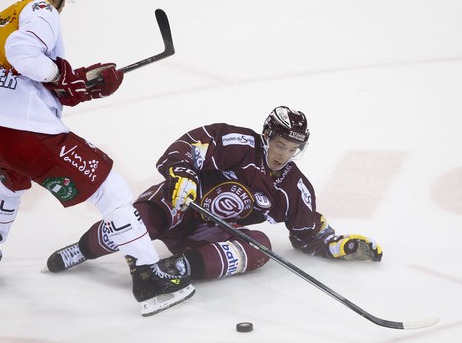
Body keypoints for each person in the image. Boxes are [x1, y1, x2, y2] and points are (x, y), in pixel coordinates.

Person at [0, 0, 194, 316]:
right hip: (28, 134)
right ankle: (149, 277)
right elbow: (24, 55)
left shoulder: (6, 15)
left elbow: (27, 78)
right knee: (114, 191)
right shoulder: (41, 9)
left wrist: (83, 84)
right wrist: (62, 73)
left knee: (11, 182)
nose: (63, 1)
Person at [46, 106, 382, 285]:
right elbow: (181, 151)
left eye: (292, 149)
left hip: (209, 232)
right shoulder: (238, 142)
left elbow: (307, 232)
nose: (284, 155)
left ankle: (177, 267)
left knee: (261, 245)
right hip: (178, 206)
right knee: (143, 219)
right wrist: (184, 176)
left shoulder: (293, 187)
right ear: (267, 135)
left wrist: (336, 245)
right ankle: (83, 249)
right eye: (280, 145)